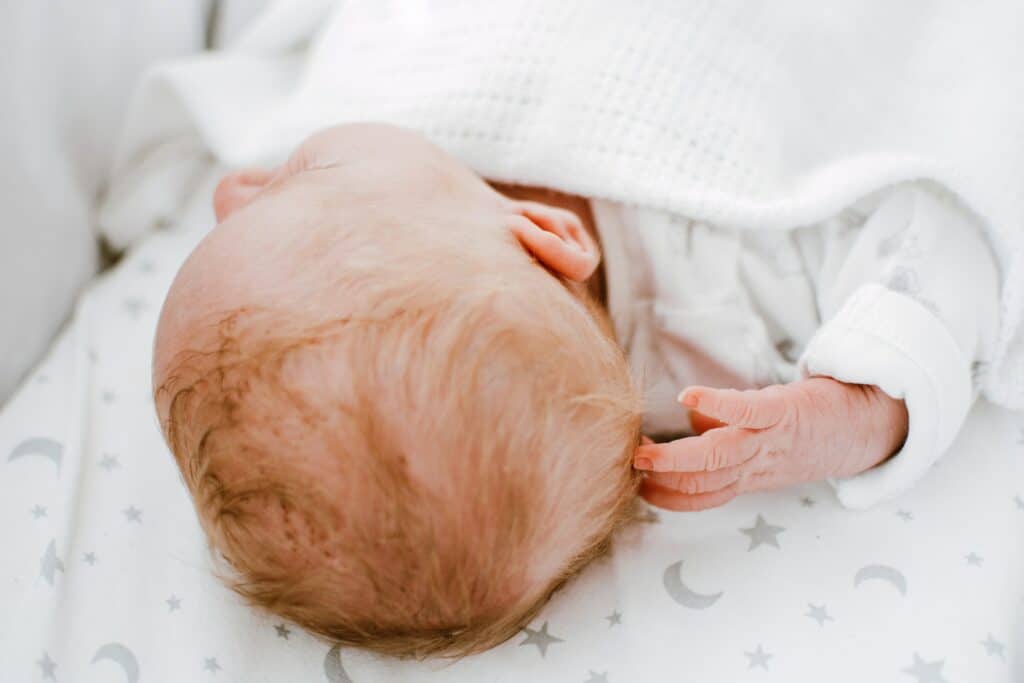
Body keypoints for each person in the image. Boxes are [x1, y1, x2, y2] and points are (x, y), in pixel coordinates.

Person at [153, 123, 998, 657]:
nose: (231, 187)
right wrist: (851, 409)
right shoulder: (716, 325)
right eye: (304, 171)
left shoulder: (437, 194)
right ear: (551, 237)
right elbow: (943, 237)